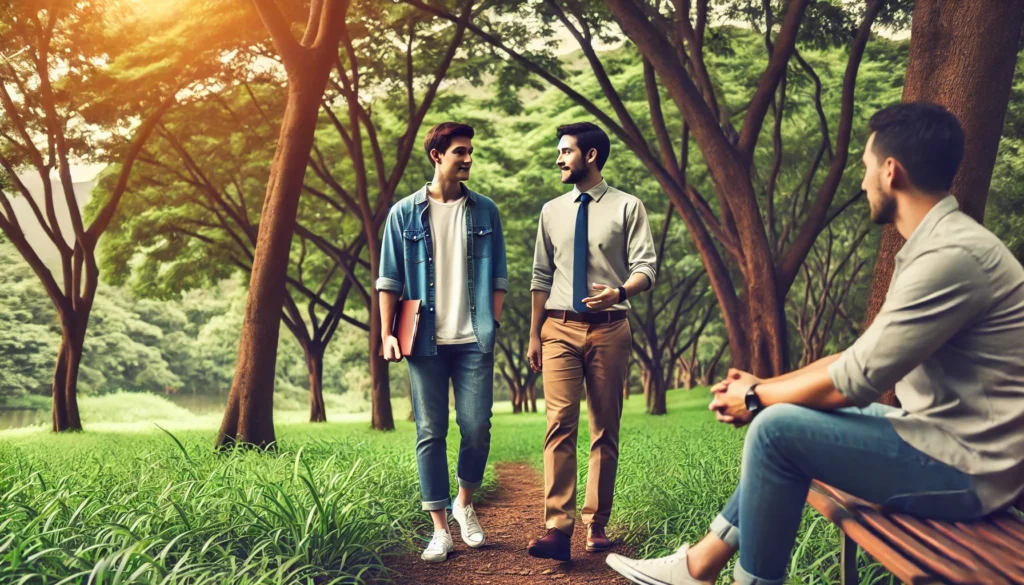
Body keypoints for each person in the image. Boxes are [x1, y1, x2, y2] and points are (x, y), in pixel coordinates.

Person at [605, 101, 1024, 585]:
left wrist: (758, 398)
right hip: (946, 440)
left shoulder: (951, 256)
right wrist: (767, 384)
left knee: (776, 430)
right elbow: (858, 358)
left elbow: (855, 381)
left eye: (866, 168)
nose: (863, 182)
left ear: (892, 172)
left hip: (972, 471)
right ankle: (699, 565)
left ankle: (718, 574)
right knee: (786, 419)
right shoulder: (939, 244)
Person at [377, 122, 509, 563]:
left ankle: (464, 503)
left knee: (475, 427)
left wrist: (491, 321)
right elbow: (389, 280)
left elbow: (500, 278)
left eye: (470, 151)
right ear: (437, 156)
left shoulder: (486, 211)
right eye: (460, 152)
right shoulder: (403, 214)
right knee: (429, 432)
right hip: (424, 340)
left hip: (474, 339)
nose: (468, 158)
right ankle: (439, 530)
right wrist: (387, 334)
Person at [526, 122, 658, 561]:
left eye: (566, 152)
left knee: (604, 425)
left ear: (592, 156)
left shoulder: (628, 207)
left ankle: (595, 522)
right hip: (558, 328)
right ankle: (557, 529)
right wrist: (534, 333)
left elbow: (646, 268)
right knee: (559, 423)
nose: (559, 159)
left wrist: (619, 292)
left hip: (609, 327)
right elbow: (540, 276)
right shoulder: (551, 211)